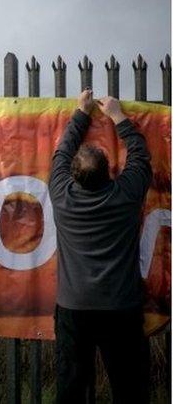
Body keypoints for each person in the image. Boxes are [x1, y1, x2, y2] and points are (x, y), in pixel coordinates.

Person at [49, 90, 152, 403]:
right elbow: (140, 155)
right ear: (111, 170)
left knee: (71, 386)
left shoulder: (61, 193)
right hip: (120, 307)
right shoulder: (125, 195)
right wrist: (118, 115)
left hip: (74, 306)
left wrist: (81, 113)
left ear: (74, 177)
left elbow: (61, 153)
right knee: (130, 387)